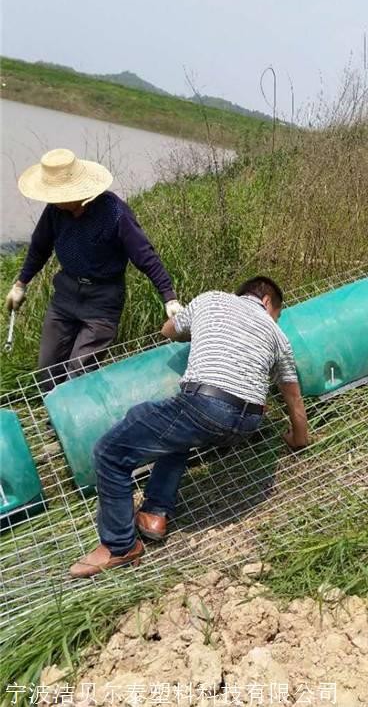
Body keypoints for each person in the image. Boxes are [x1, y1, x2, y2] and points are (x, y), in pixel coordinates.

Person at [69, 275, 310, 578]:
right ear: (266, 302)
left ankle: (120, 547)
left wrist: (190, 326)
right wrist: (298, 438)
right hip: (247, 422)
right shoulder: (279, 336)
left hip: (206, 407)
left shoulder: (211, 299)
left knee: (108, 452)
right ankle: (155, 512)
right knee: (176, 431)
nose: (275, 319)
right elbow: (293, 395)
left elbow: (168, 331)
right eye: (278, 313)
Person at [5, 148, 182, 389]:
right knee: (48, 369)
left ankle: (70, 422)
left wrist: (169, 297)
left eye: (58, 195)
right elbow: (39, 248)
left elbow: (144, 256)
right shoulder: (55, 211)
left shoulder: (114, 212)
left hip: (102, 300)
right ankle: (52, 414)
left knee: (79, 374)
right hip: (66, 294)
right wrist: (20, 284)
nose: (53, 200)